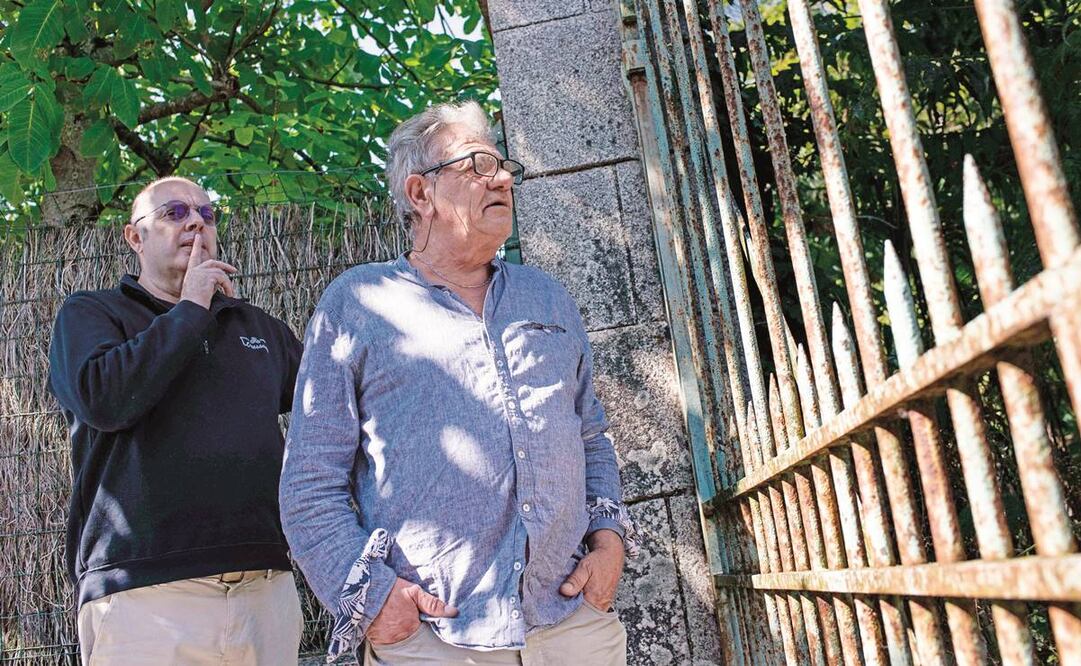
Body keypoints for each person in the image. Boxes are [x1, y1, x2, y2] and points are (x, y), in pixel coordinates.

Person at [280, 100, 638, 665]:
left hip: (572, 625)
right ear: (420, 194)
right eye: (476, 165)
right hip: (436, 639)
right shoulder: (357, 304)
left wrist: (609, 543)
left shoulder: (547, 296)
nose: (500, 179)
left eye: (503, 167)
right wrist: (376, 603)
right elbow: (309, 486)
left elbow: (591, 437)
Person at [48, 176, 304, 664]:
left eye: (207, 215)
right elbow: (106, 399)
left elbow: (328, 415)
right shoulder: (92, 313)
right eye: (174, 213)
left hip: (264, 586)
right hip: (144, 592)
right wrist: (191, 307)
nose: (195, 223)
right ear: (134, 237)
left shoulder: (258, 328)